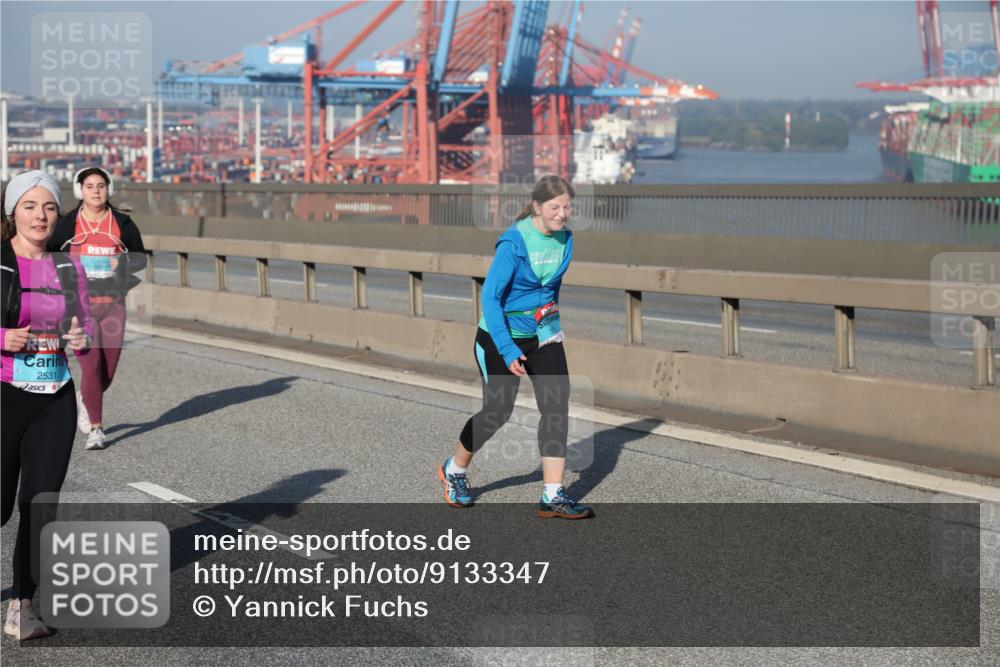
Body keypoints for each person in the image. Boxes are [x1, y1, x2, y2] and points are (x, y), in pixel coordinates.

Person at [438, 175, 594, 519]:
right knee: (498, 411)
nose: (562, 214)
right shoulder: (514, 242)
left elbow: (548, 290)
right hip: (498, 336)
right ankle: (455, 469)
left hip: (542, 335)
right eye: (554, 207)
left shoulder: (566, 240)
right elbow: (490, 298)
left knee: (556, 406)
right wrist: (508, 349)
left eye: (567, 207)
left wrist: (550, 332)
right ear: (537, 207)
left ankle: (553, 494)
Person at [1, 170, 93, 640]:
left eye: (50, 207)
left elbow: (88, 329)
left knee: (40, 505)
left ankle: (23, 606)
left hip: (53, 397)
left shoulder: (66, 267)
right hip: (3, 396)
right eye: (31, 206)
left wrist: (80, 337)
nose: (41, 216)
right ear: (12, 211)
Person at [49, 166, 146, 450]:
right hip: (80, 308)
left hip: (113, 305)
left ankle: (86, 397)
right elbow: (50, 257)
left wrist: (124, 264)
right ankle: (96, 429)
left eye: (101, 186)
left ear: (109, 189)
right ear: (80, 191)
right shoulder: (67, 224)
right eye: (90, 186)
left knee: (107, 372)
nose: (96, 191)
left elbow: (141, 259)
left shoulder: (123, 223)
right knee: (91, 367)